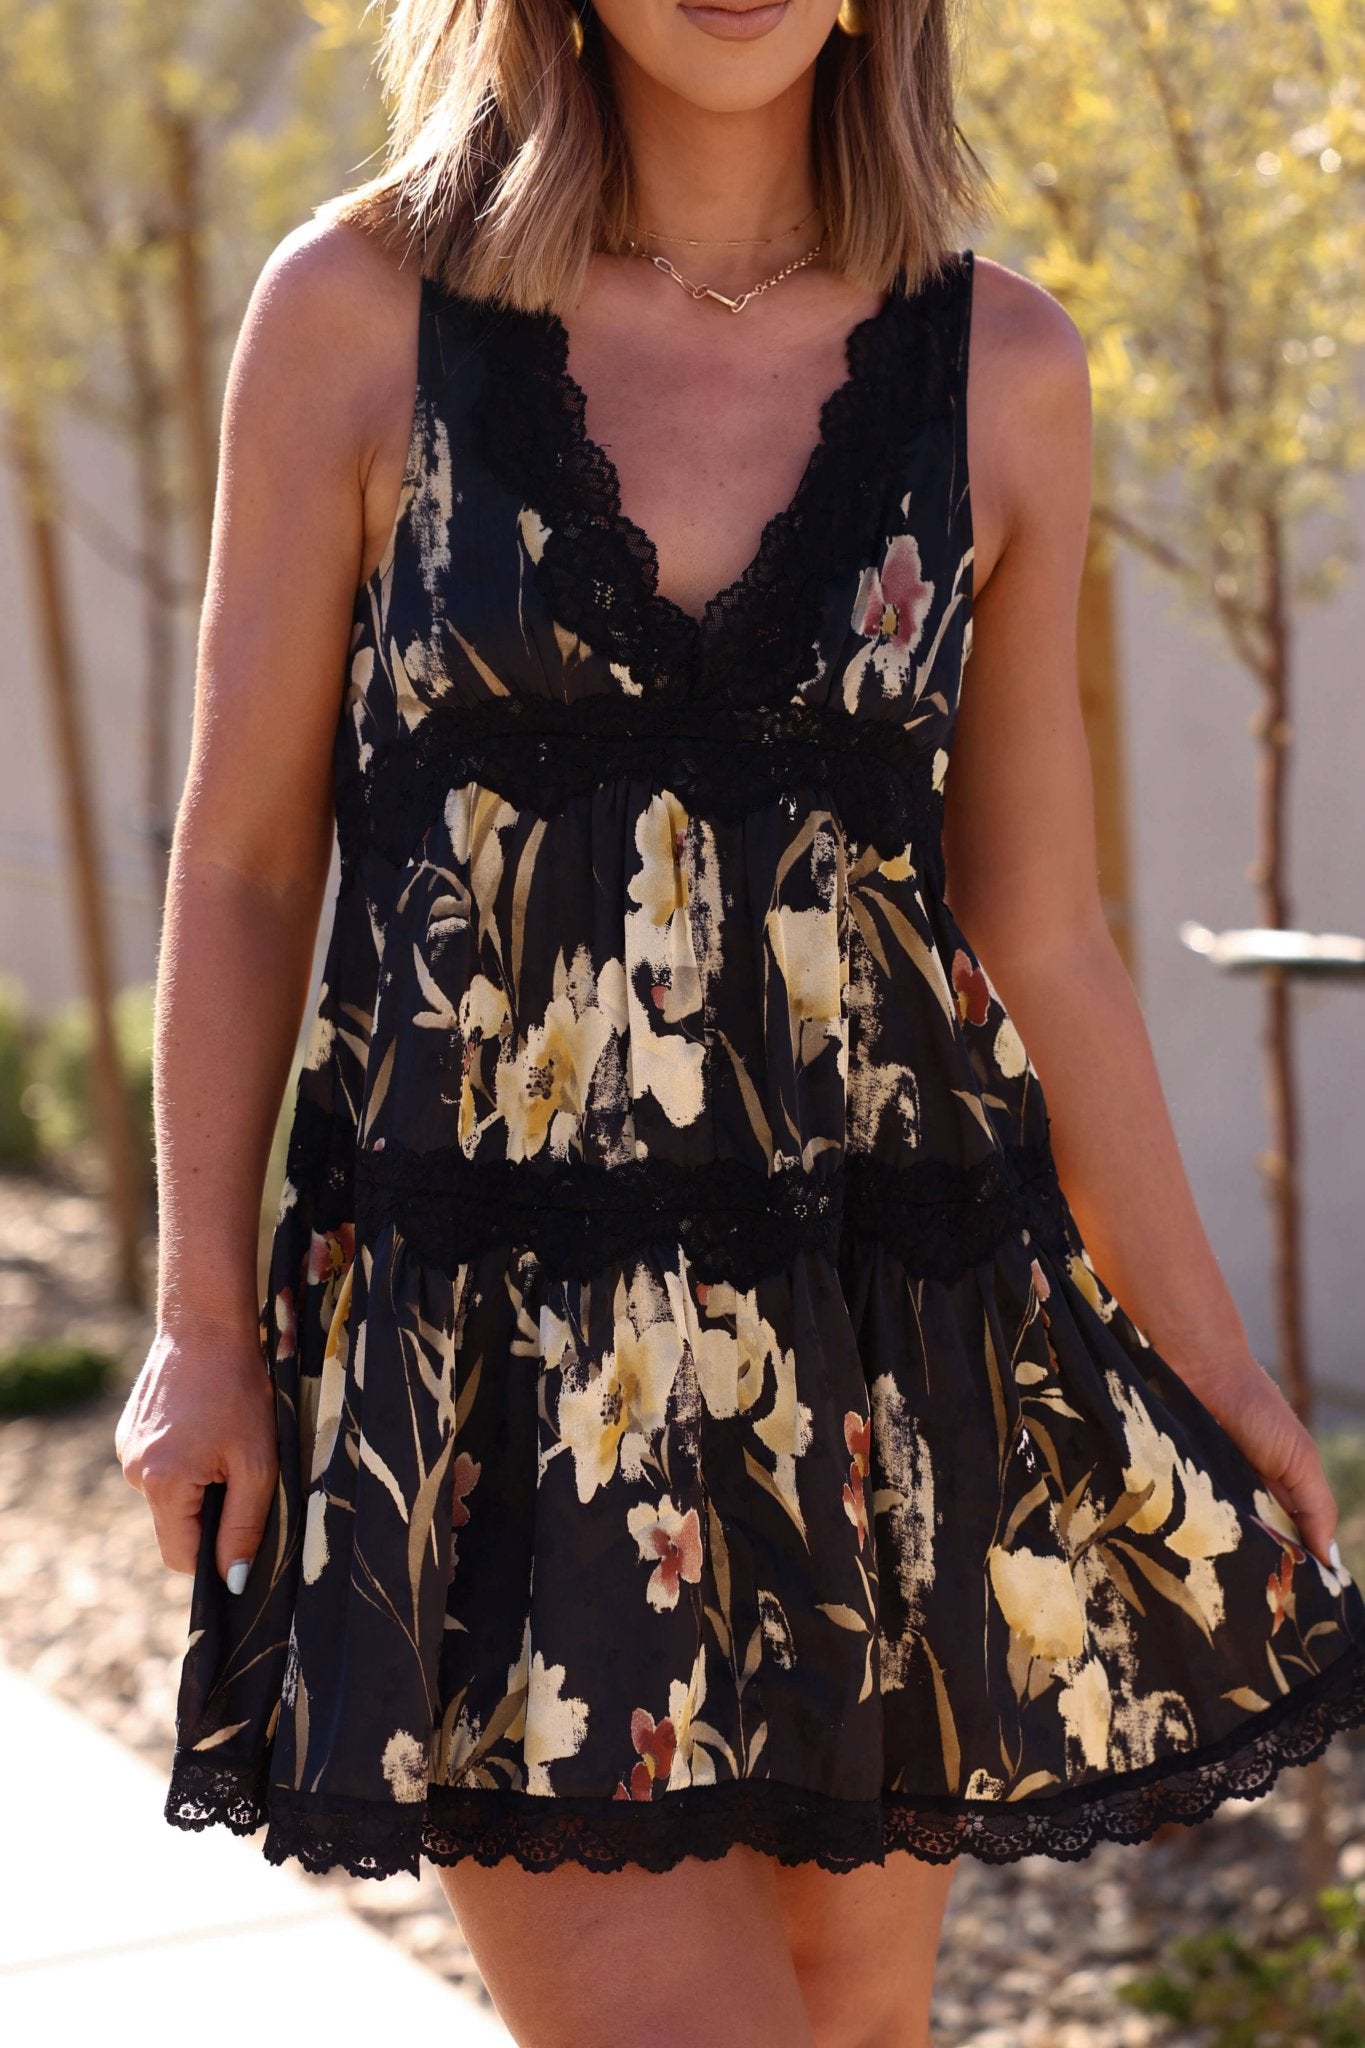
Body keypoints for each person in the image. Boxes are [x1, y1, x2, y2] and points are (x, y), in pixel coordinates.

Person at [114, 2, 1365, 2043]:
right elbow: (247, 863)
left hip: (878, 1344)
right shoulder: (356, 313)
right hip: (503, 1372)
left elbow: (1035, 925)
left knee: (845, 2022)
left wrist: (1203, 1354)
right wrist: (199, 1321)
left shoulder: (1003, 368)